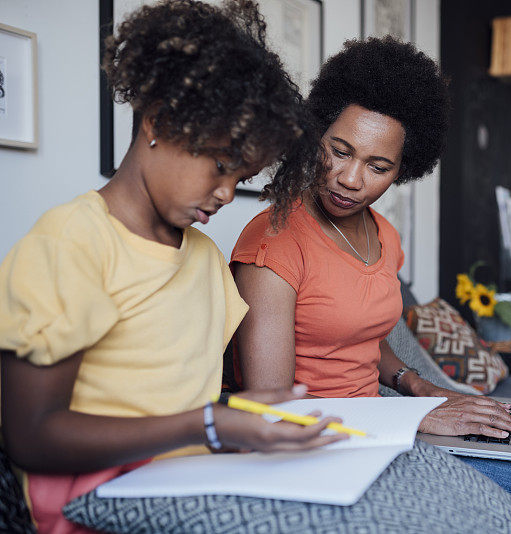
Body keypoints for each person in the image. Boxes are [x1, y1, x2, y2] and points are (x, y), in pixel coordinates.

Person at [229, 37, 511, 534]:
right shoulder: (273, 242)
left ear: (403, 170)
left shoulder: (384, 235)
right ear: (314, 135)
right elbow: (272, 412)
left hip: (383, 418)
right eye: (338, 151)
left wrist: (421, 388)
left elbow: (364, 337)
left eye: (378, 166)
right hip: (323, 442)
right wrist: (414, 419)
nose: (350, 178)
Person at [0, 2, 346, 532]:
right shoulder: (72, 242)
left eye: (243, 175)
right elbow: (32, 436)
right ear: (159, 120)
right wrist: (207, 425)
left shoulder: (203, 258)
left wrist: (243, 410)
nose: (229, 193)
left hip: (188, 478)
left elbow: (173, 394)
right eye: (222, 166)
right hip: (95, 501)